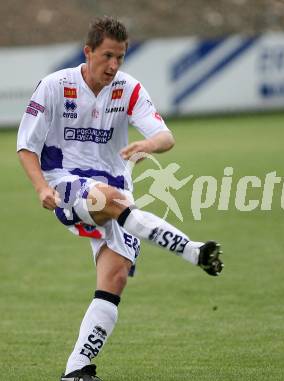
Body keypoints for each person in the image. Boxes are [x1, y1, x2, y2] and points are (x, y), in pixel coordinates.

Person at [17, 16, 223, 381]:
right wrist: (41, 188)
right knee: (107, 198)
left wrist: (148, 144)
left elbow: (165, 136)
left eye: (120, 58)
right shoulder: (54, 86)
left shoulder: (128, 88)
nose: (114, 66)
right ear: (88, 51)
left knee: (114, 279)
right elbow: (26, 147)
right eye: (107, 56)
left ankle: (76, 371)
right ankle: (194, 251)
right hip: (64, 182)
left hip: (117, 189)